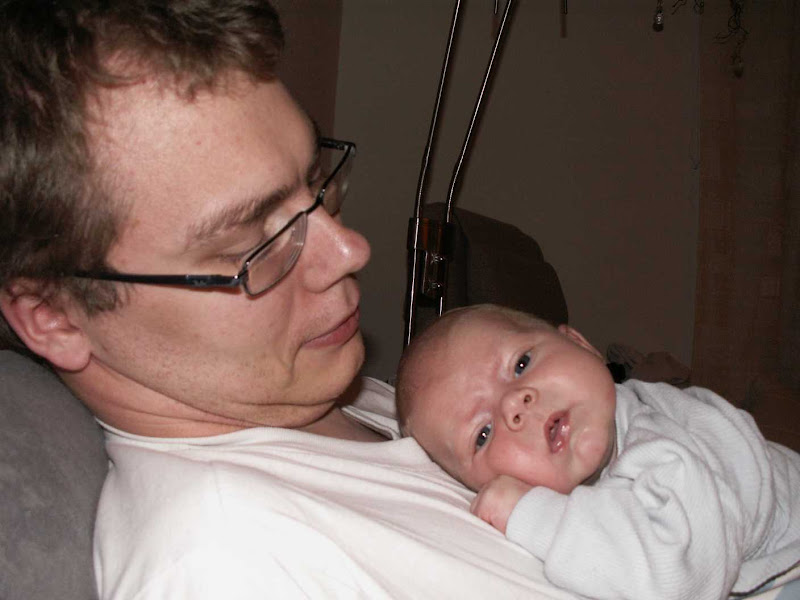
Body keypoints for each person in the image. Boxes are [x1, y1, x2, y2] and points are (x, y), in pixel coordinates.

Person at [0, 2, 583, 598]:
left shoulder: (343, 398)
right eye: (251, 242)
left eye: (315, 183)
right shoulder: (228, 562)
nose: (350, 250)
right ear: (53, 317)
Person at [395, 304, 800, 600]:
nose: (515, 404)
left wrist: (531, 514)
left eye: (521, 364)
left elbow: (674, 581)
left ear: (581, 344)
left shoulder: (661, 446)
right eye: (483, 434)